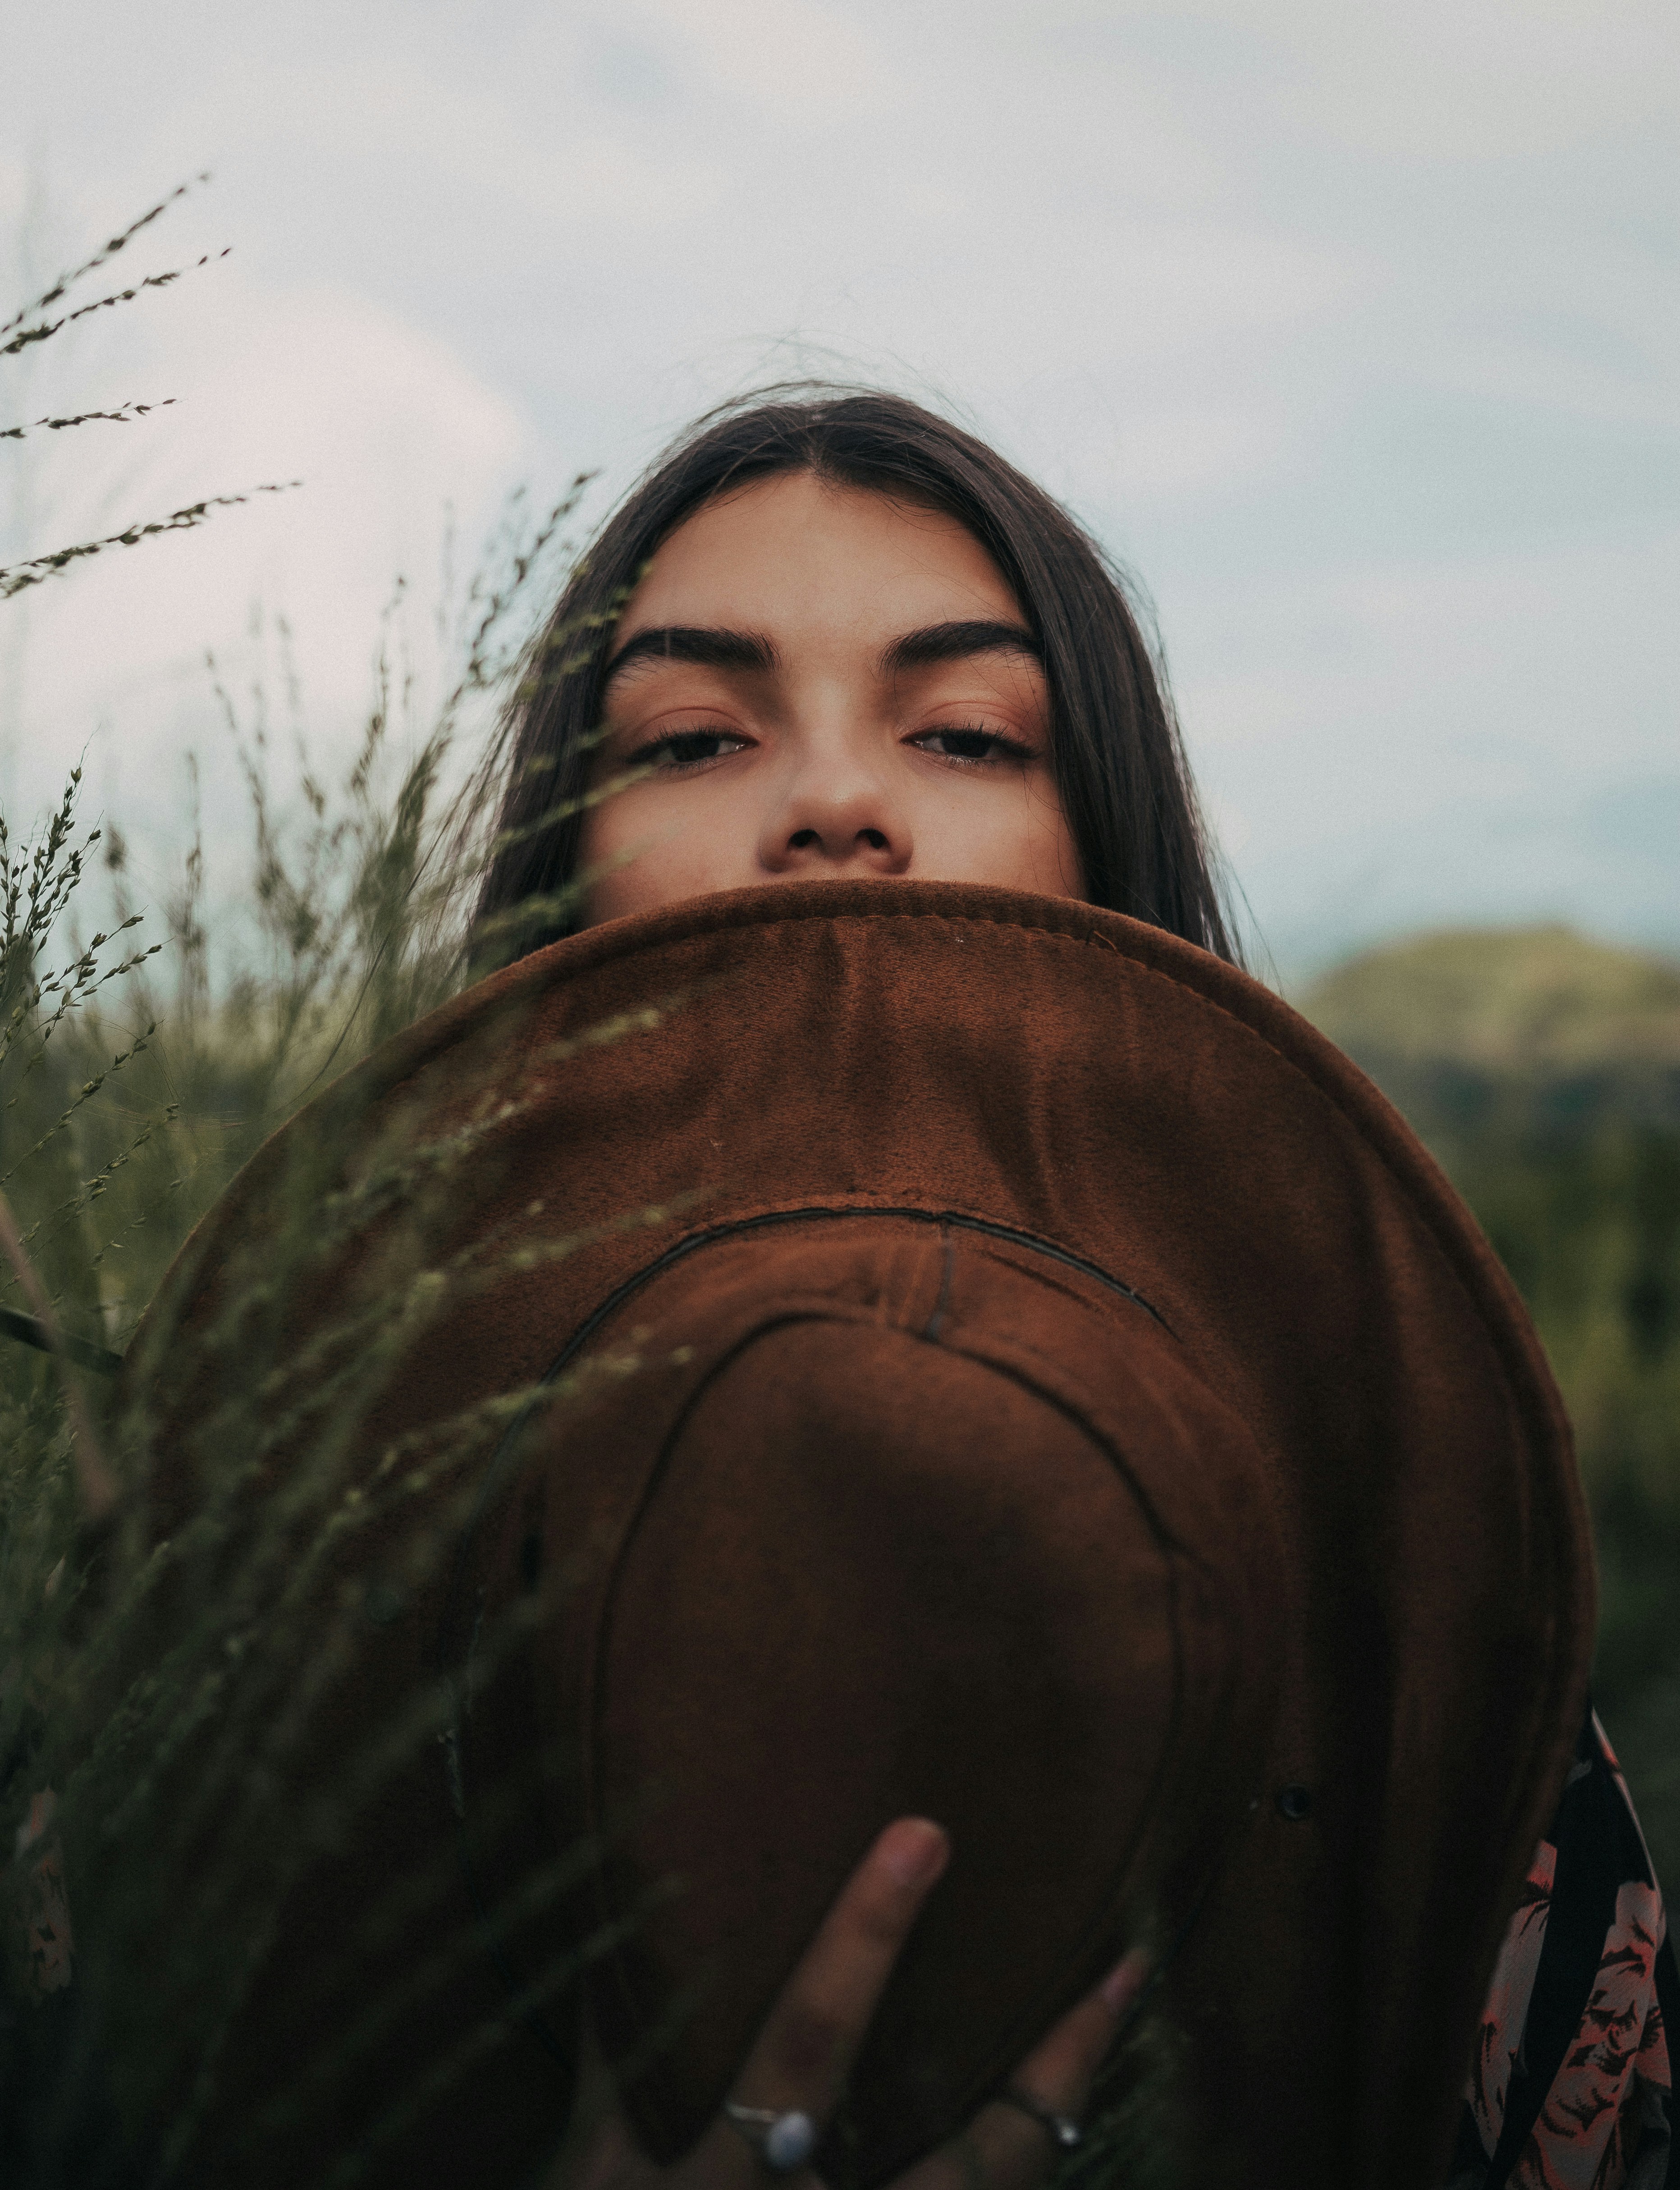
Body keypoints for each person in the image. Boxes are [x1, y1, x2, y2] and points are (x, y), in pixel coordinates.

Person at [469, 388, 1676, 2190]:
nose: (832, 804)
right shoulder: (241, 1617)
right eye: (692, 737)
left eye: (960, 735)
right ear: (557, 890)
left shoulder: (1414, 1673)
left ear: (1102, 867)